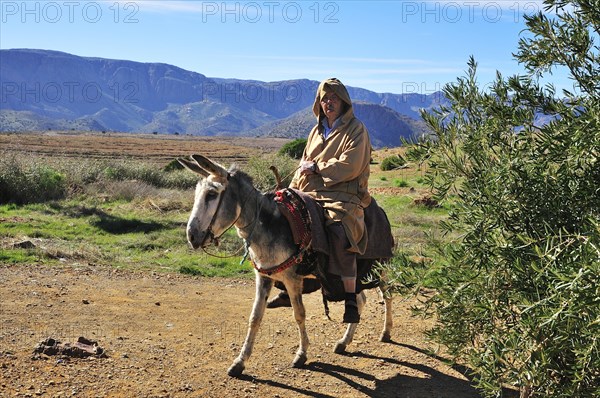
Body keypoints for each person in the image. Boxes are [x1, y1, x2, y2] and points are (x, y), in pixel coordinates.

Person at [268, 78, 372, 324]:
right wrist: (288, 191)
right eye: (324, 98)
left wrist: (318, 167)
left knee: (339, 228)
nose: (329, 103)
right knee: (284, 220)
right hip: (308, 191)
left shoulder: (356, 129)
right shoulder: (315, 131)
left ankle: (349, 297)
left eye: (334, 98)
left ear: (343, 101)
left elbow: (351, 165)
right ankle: (287, 287)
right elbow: (303, 166)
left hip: (342, 195)